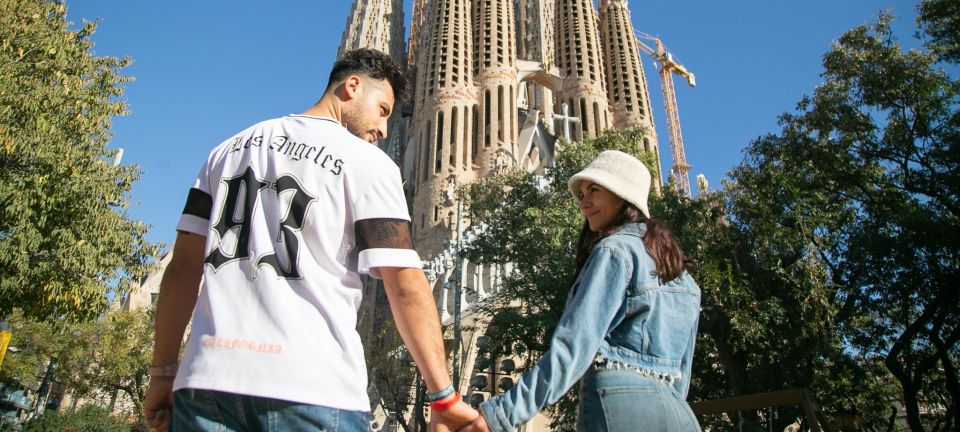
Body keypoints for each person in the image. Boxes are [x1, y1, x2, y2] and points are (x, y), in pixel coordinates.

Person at [143, 49, 477, 432]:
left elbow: (183, 270)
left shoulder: (226, 151)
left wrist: (163, 373)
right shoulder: (367, 163)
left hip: (206, 386)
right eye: (383, 109)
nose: (384, 130)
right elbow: (404, 281)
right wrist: (444, 395)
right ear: (352, 86)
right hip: (313, 388)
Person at [464, 150, 701, 432]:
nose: (584, 202)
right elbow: (682, 372)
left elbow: (573, 349)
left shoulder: (614, 251)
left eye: (594, 190)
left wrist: (499, 415)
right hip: (680, 415)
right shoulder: (682, 276)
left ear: (622, 194)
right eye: (581, 194)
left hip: (619, 407)